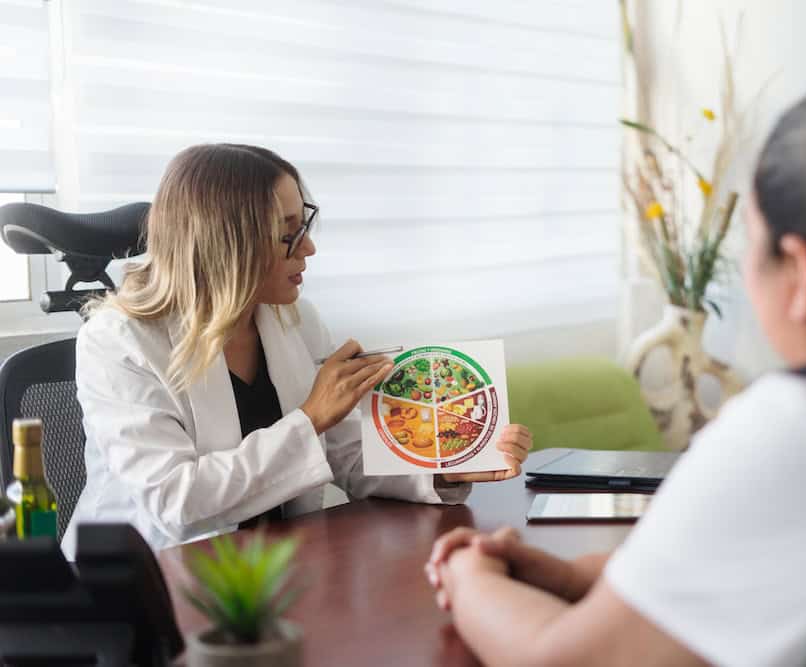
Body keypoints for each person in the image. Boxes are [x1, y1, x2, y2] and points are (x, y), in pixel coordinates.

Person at [425, 77, 806, 666]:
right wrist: (574, 579)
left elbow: (563, 661)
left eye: (751, 241)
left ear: (803, 271)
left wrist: (469, 575)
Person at [62, 143, 532, 558]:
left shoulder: (295, 319)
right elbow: (175, 503)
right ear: (230, 243)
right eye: (287, 232)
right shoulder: (118, 342)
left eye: (302, 223)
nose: (307, 247)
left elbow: (345, 455)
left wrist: (446, 467)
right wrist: (310, 418)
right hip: (150, 582)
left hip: (277, 564)